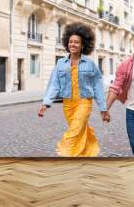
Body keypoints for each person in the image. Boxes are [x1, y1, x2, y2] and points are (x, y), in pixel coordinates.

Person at [38, 22, 110, 157]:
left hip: (84, 102)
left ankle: (66, 155)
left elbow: (97, 86)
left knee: (74, 132)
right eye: (70, 42)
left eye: (76, 42)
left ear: (83, 45)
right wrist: (45, 103)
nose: (73, 44)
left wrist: (103, 108)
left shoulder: (90, 64)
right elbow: (54, 84)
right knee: (79, 131)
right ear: (67, 43)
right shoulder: (60, 63)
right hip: (68, 104)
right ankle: (85, 155)